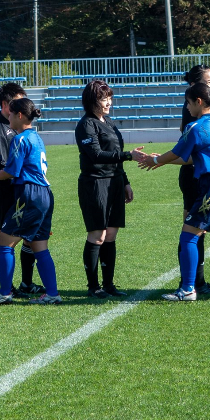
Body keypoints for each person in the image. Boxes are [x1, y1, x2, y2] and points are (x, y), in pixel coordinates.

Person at [134, 82, 210, 302]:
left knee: (188, 237)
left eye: (188, 103)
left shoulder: (196, 127)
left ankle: (187, 289)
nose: (186, 107)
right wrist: (163, 163)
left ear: (198, 102)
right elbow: (190, 157)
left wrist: (155, 160)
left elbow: (175, 151)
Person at [0, 98, 62, 305]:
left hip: (29, 194)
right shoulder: (36, 138)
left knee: (5, 243)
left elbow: (12, 172)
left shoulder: (20, 139)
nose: (9, 118)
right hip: (45, 193)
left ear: (20, 115)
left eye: (11, 115)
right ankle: (52, 294)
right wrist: (0, 172)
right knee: (39, 246)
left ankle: (4, 293)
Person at [75, 80, 134, 298]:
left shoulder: (108, 122)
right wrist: (128, 156)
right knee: (97, 235)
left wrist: (125, 181)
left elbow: (115, 153)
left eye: (109, 97)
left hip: (115, 182)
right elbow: (96, 155)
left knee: (110, 235)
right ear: (92, 101)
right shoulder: (86, 125)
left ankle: (109, 285)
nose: (108, 102)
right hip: (95, 183)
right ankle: (93, 287)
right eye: (103, 98)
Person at [0, 83, 39, 295]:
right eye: (17, 102)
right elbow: (2, 167)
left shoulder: (18, 128)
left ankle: (26, 283)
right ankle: (7, 288)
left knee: (29, 236)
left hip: (23, 190)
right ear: (6, 104)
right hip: (7, 191)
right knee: (8, 240)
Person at [176, 65, 210, 295]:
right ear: (195, 86)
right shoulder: (193, 112)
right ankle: (191, 282)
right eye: (209, 81)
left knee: (196, 231)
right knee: (192, 230)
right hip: (194, 176)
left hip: (199, 175)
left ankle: (195, 281)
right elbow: (189, 152)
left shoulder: (201, 111)